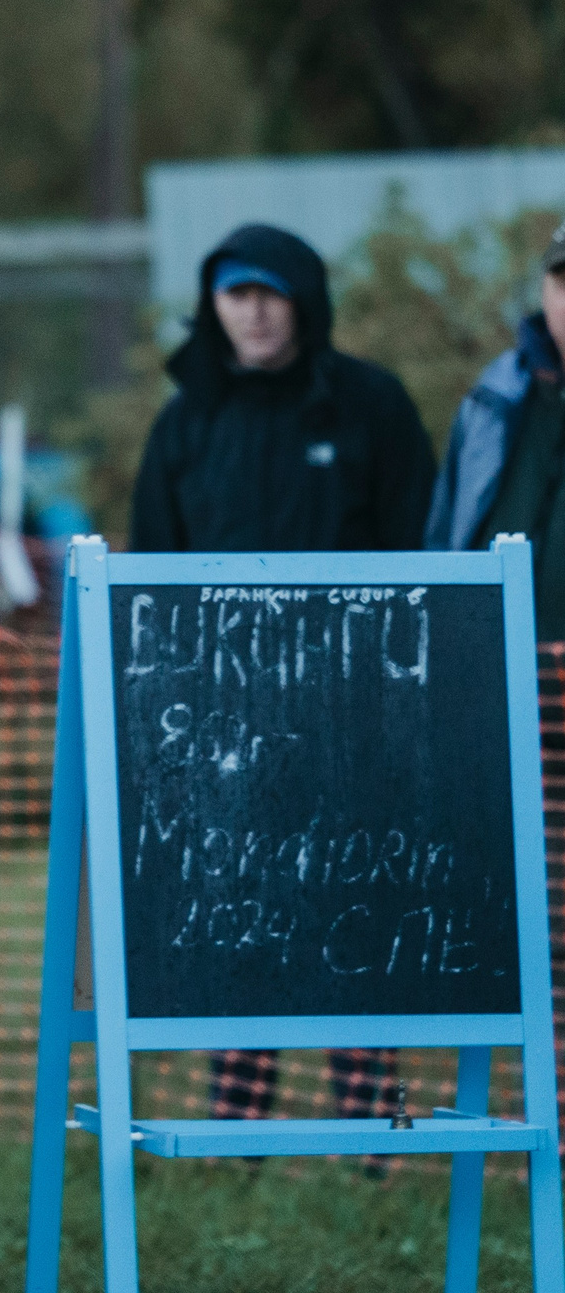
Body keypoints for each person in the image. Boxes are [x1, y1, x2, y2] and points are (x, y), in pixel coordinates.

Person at [129, 221, 438, 1129]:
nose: (255, 312)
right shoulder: (187, 421)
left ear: (303, 301)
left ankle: (377, 1122)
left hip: (359, 718)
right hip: (228, 728)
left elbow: (425, 554)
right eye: (236, 294)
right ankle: (239, 1120)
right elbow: (153, 578)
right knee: (239, 901)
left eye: (270, 292)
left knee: (359, 902)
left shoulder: (370, 406)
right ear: (212, 305)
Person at [425, 221, 565, 629]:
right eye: (563, 284)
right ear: (544, 293)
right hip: (493, 673)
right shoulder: (491, 400)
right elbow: (443, 541)